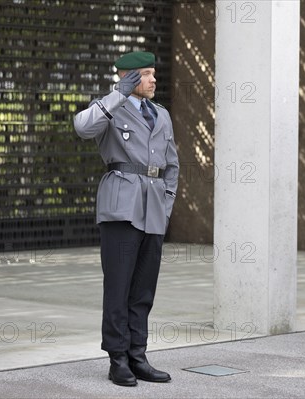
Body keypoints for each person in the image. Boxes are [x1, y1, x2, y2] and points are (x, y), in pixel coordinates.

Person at [73, 51, 179, 386]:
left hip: (153, 209)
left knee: (143, 289)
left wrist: (168, 201)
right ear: (128, 77)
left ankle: (138, 355)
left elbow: (172, 163)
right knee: (118, 287)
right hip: (121, 207)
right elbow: (82, 127)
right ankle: (117, 358)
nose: (152, 80)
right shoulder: (108, 108)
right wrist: (118, 93)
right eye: (145, 74)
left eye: (152, 73)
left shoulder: (161, 114)